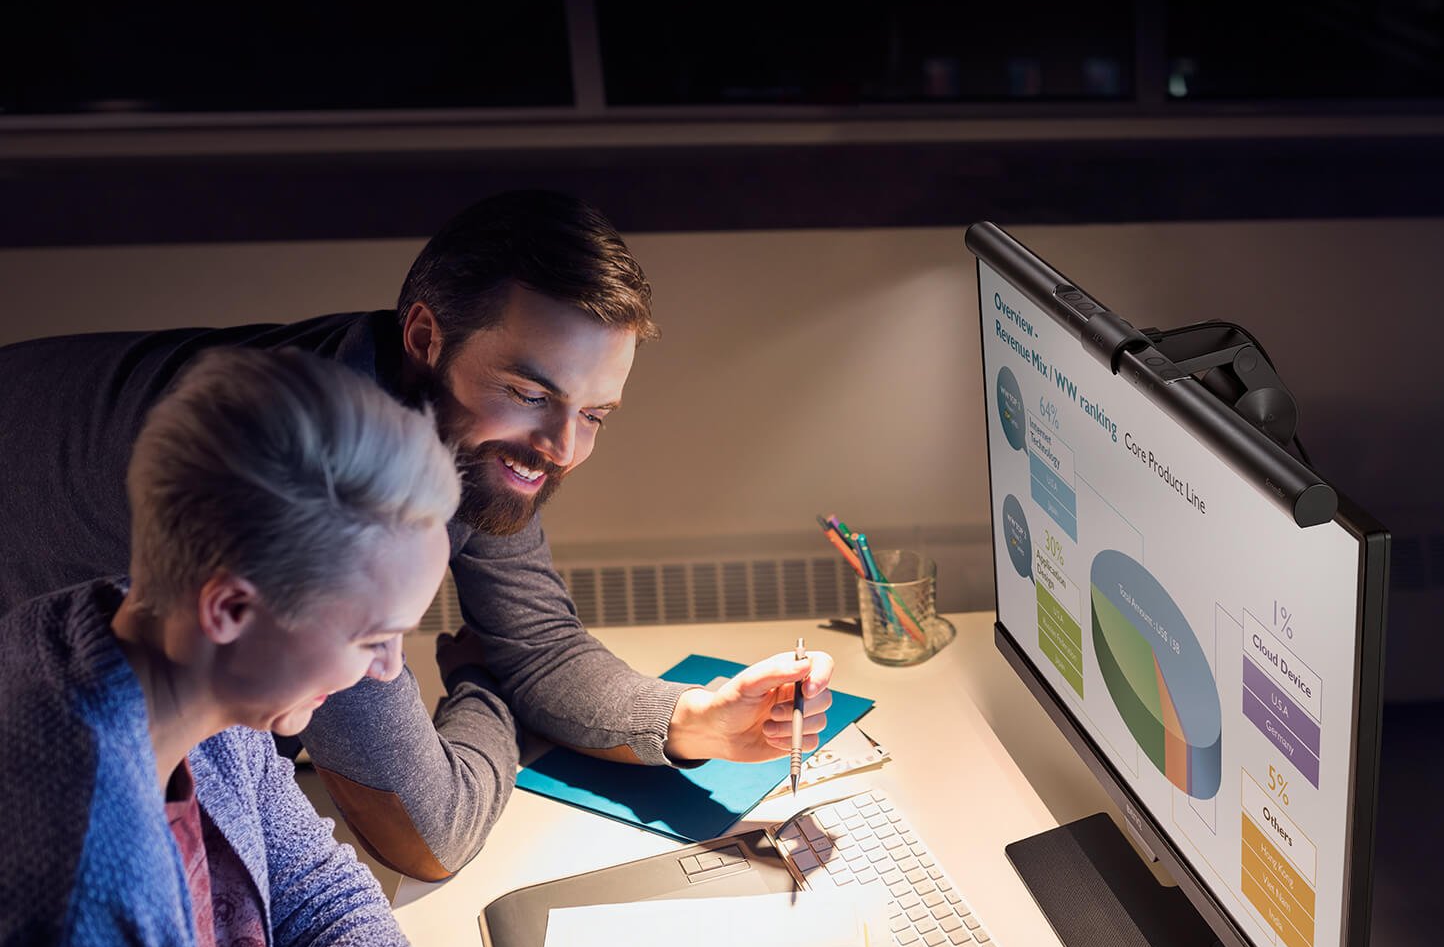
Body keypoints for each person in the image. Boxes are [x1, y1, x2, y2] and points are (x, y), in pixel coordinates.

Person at [0, 189, 833, 881]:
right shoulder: (322, 478)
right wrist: (485, 691)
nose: (564, 448)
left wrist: (693, 718)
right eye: (531, 393)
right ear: (427, 337)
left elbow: (535, 642)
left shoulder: (459, 431)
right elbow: (425, 835)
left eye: (595, 414)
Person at [0, 349, 463, 947]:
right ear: (231, 608)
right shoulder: (77, 899)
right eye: (372, 637)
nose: (391, 668)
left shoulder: (176, 667)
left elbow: (311, 888)